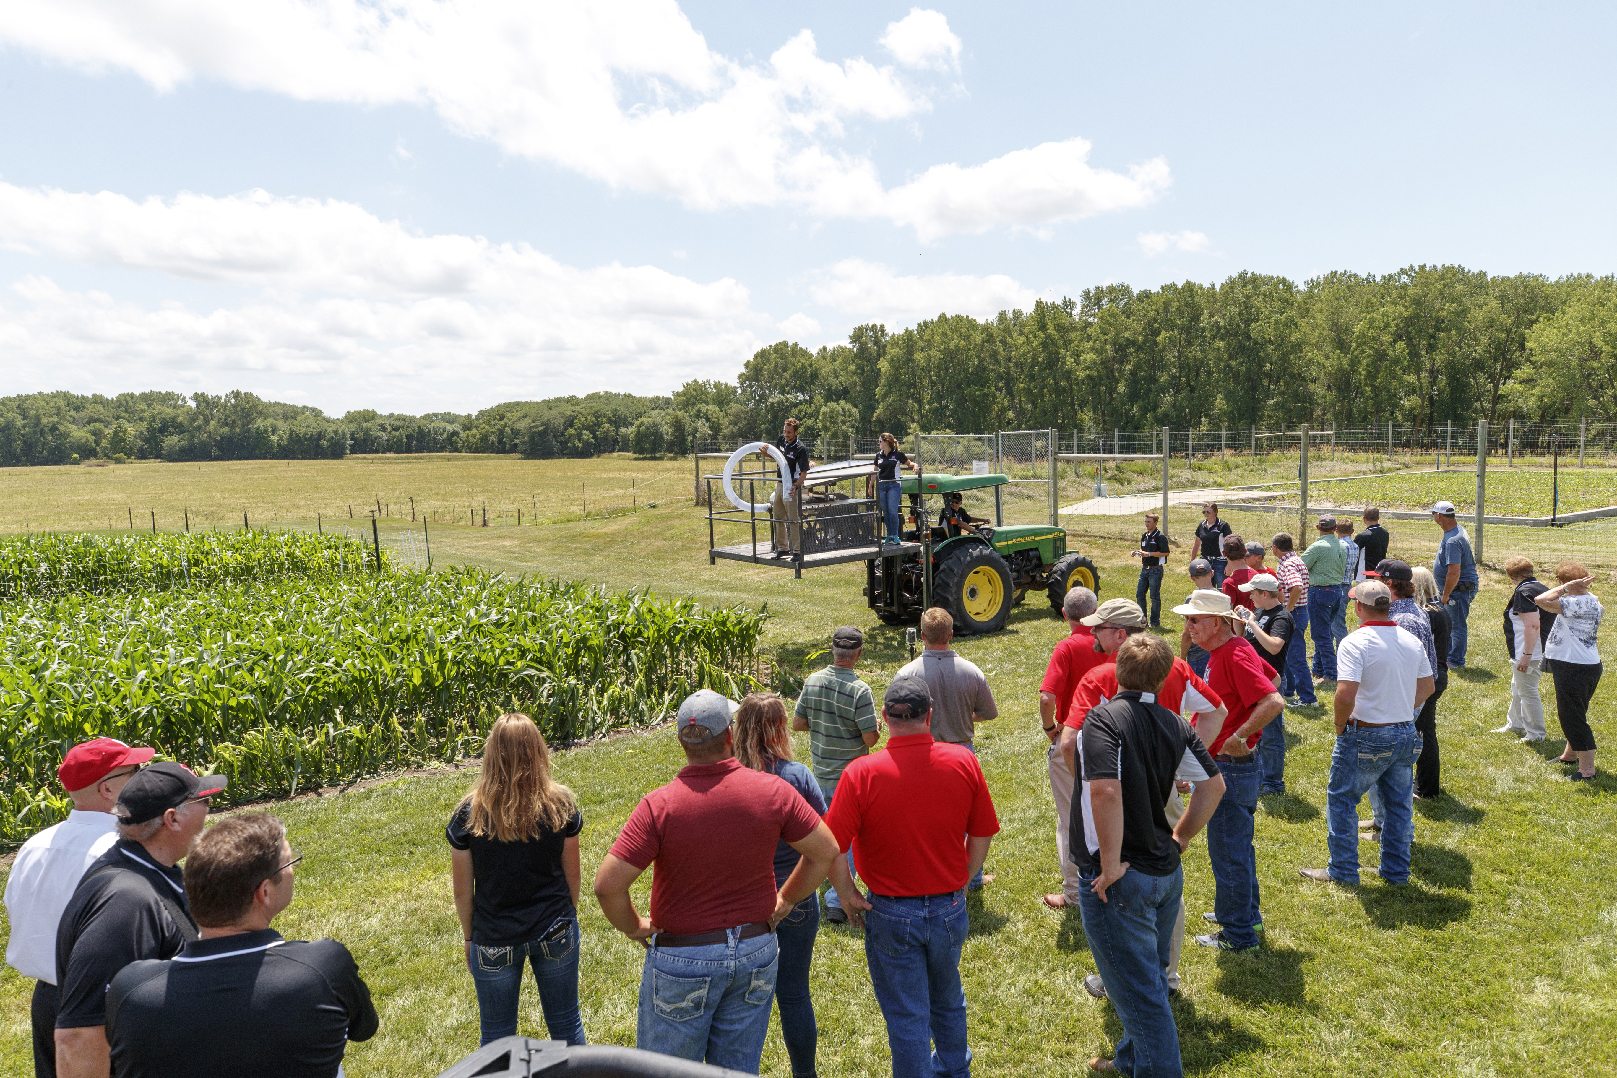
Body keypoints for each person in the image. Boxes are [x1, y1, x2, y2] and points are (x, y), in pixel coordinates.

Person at [593, 689, 841, 1073]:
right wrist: (787, 898)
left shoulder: (659, 805)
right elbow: (825, 851)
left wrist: (635, 926)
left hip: (682, 956)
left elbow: (608, 885)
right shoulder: (773, 792)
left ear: (681, 742)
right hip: (755, 949)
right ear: (729, 735)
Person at [104, 814, 377, 1078]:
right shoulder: (323, 969)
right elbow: (364, 1029)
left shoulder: (130, 991)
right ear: (265, 893)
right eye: (289, 863)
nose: (293, 869)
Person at [821, 675, 1000, 1078]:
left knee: (907, 1015)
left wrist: (846, 893)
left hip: (889, 912)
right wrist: (965, 878)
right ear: (930, 715)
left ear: (884, 717)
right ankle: (956, 1070)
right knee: (948, 998)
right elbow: (983, 830)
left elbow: (831, 845)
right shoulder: (963, 761)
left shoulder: (861, 773)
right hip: (950, 907)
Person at [1072, 635, 1226, 1078]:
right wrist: (1180, 839)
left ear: (1116, 669)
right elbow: (1213, 786)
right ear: (1164, 679)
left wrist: (1110, 864)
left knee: (1142, 996)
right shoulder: (1175, 723)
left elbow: (1104, 791)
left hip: (1123, 881)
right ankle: (1129, 1060)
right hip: (1164, 871)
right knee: (1148, 980)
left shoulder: (1102, 720)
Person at [54, 762, 224, 1078]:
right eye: (204, 802)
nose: (209, 811)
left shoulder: (149, 871)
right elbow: (78, 1036)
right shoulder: (125, 902)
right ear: (172, 819)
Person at [4, 738, 151, 1078]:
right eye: (136, 771)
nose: (144, 778)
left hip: (48, 1000)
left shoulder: (34, 845)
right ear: (108, 790)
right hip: (107, 1003)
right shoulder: (123, 850)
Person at [447, 714, 585, 1047]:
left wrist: (470, 936)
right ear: (539, 750)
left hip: (494, 936)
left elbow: (462, 891)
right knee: (566, 1024)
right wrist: (565, 916)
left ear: (491, 753)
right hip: (556, 928)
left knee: (496, 1038)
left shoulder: (469, 814)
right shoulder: (561, 805)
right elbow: (573, 875)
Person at [1300, 580, 1433, 886]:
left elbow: (1345, 695)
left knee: (1342, 800)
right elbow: (1427, 686)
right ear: (1388, 605)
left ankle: (1343, 871)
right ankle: (1396, 872)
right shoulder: (1411, 641)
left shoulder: (1354, 642)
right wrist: (1398, 707)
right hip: (1404, 732)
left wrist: (1338, 725)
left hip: (1366, 734)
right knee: (1400, 806)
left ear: (1358, 607)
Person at [1177, 590, 1284, 952]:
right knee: (1237, 846)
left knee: (1228, 851)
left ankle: (1238, 933)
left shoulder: (1234, 653)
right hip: (1230, 766)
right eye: (1187, 619)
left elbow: (1273, 699)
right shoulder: (1229, 650)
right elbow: (1274, 678)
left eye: (1194, 619)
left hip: (1229, 768)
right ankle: (1245, 912)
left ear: (1218, 623)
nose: (1188, 626)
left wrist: (1240, 735)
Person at [734, 692, 828, 1078]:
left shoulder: (728, 779)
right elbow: (826, 838)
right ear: (780, 729)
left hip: (742, 901)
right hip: (796, 896)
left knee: (741, 1003)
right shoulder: (798, 775)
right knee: (794, 995)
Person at [898, 607, 998, 889]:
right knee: (969, 819)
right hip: (963, 754)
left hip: (921, 754)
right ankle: (973, 876)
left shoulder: (907, 674)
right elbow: (989, 713)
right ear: (951, 635)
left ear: (922, 636)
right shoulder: (972, 672)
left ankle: (924, 872)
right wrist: (966, 714)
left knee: (922, 818)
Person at [793, 626, 880, 923]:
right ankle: (837, 898)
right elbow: (870, 740)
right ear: (858, 654)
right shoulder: (860, 690)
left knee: (827, 835)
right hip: (851, 779)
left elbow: (798, 723)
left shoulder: (813, 681)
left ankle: (827, 889)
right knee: (850, 839)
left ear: (832, 648)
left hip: (821, 774)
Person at [1037, 587, 1111, 910]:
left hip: (1073, 738)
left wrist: (1050, 728)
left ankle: (1073, 892)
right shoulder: (1112, 643)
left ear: (1065, 615)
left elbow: (1046, 697)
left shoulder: (1066, 647)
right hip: (1111, 737)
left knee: (1070, 818)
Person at [1536, 562, 1604, 781]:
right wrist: (1572, 587)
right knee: (1576, 712)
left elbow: (1541, 600)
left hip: (1574, 666)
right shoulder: (1592, 601)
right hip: (1586, 665)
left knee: (1571, 718)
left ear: (1561, 581)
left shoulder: (1574, 602)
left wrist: (1566, 588)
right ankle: (1569, 755)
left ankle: (1587, 772)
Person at [1234, 574, 1295, 796]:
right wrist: (1239, 621)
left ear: (1265, 594)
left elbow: (1274, 647)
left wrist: (1251, 622)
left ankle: (1273, 782)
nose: (1250, 596)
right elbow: (1242, 636)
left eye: (1253, 592)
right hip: (1254, 680)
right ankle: (1260, 776)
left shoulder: (1281, 617)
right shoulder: (1259, 612)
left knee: (1271, 734)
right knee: (1255, 730)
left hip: (1271, 681)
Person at [1494, 556, 1553, 744]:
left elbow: (1532, 626)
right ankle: (1516, 723)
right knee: (1517, 688)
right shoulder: (1543, 589)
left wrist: (1526, 656)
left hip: (1529, 651)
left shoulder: (1523, 592)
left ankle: (1536, 734)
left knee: (1528, 691)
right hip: (1536, 649)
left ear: (1511, 577)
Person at [1412, 567, 1452, 800]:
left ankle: (1427, 788)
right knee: (1426, 728)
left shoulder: (1424, 612)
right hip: (1439, 673)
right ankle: (1425, 782)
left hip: (1429, 676)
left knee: (1423, 731)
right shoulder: (1440, 608)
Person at [1430, 500, 1478, 667]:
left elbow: (1454, 572)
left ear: (1439, 516)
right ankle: (1448, 656)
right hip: (1457, 588)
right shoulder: (1455, 531)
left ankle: (1456, 660)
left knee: (1456, 625)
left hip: (1457, 590)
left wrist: (1446, 594)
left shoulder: (1452, 540)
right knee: (1450, 623)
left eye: (1433, 514)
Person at [1301, 515, 1348, 684]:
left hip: (1319, 591)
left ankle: (1330, 673)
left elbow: (1301, 566)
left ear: (1317, 527)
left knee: (1320, 635)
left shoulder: (1317, 547)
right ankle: (1318, 669)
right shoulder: (1342, 546)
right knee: (1326, 631)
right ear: (1335, 529)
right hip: (1336, 590)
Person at [1272, 533, 1316, 707]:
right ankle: (1289, 692)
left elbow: (1296, 586)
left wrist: (1288, 608)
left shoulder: (1288, 564)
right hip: (1300, 611)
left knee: (1296, 658)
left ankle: (1308, 698)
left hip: (1295, 612)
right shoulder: (1296, 560)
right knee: (1289, 655)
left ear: (1276, 548)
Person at [769, 418, 813, 559]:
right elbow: (775, 456)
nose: (786, 435)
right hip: (780, 483)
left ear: (796, 432)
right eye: (785, 431)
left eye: (789, 432)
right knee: (778, 517)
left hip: (792, 484)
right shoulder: (781, 440)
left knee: (793, 519)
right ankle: (782, 548)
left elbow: (804, 473)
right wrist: (765, 453)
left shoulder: (800, 448)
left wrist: (795, 486)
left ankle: (797, 551)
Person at [871, 432, 919, 544]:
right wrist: (870, 486)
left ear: (886, 442)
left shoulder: (897, 454)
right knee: (886, 512)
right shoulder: (878, 455)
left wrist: (915, 466)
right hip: (882, 485)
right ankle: (889, 536)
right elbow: (874, 471)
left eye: (880, 441)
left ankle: (895, 535)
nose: (879, 443)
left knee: (893, 511)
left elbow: (909, 463)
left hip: (894, 485)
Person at [1132, 512, 1170, 627]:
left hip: (1155, 570)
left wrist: (1148, 554)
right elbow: (1144, 550)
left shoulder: (1160, 536)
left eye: (1149, 522)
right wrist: (1137, 552)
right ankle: (1143, 621)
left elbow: (1166, 552)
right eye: (1145, 521)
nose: (1146, 524)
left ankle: (1154, 622)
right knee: (1139, 594)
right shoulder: (1145, 535)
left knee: (1154, 596)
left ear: (1155, 522)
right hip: (1145, 569)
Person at [1181, 559, 1216, 676]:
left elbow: (1187, 633)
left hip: (1197, 656)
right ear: (1212, 573)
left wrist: (1182, 659)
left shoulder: (1191, 599)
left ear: (1192, 577)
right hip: (1218, 652)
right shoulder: (1222, 597)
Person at [1334, 520, 1362, 642]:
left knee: (1337, 623)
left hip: (1337, 585)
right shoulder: (1355, 546)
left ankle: (1342, 647)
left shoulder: (1338, 546)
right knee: (1337, 619)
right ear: (1352, 531)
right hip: (1347, 585)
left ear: (1336, 530)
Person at [1195, 503, 1233, 586]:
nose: (1206, 514)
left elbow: (1230, 546)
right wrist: (1192, 561)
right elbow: (1197, 544)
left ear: (1216, 512)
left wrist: (1229, 565)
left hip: (1220, 561)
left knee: (1222, 589)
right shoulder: (1201, 525)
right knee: (1206, 589)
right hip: (1205, 561)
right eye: (1204, 512)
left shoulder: (1223, 526)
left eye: (1208, 512)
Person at [1221, 536, 1256, 612]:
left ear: (1224, 553)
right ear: (1245, 551)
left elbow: (1227, 614)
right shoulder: (1257, 576)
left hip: (1238, 623)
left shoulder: (1229, 583)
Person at [1354, 508, 1390, 577]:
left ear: (1364, 519)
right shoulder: (1385, 534)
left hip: (1364, 574)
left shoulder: (1362, 536)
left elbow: (1355, 554)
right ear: (1378, 518)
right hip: (1380, 572)